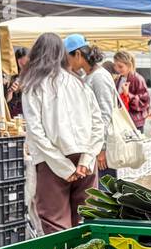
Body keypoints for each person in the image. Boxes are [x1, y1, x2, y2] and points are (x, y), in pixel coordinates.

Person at [19, 33, 104, 233]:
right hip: (84, 161)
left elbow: (36, 131)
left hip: (52, 161)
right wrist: (86, 160)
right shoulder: (79, 84)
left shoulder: (33, 86)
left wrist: (63, 166)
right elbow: (98, 125)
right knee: (86, 220)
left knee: (55, 223)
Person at [64, 35, 114, 174]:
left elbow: (105, 114)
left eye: (68, 57)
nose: (67, 62)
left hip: (101, 147)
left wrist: (101, 149)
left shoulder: (99, 77)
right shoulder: (88, 76)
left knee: (104, 191)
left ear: (78, 54)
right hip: (93, 145)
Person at [112, 50, 150, 129]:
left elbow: (144, 101)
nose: (117, 69)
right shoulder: (119, 78)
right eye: (115, 66)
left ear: (129, 65)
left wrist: (128, 94)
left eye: (120, 66)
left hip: (134, 122)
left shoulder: (138, 79)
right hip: (122, 119)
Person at [7, 47, 28, 118]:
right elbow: (7, 101)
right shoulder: (11, 76)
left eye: (26, 65)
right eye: (21, 65)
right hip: (14, 115)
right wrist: (11, 91)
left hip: (29, 113)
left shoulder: (35, 76)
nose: (23, 68)